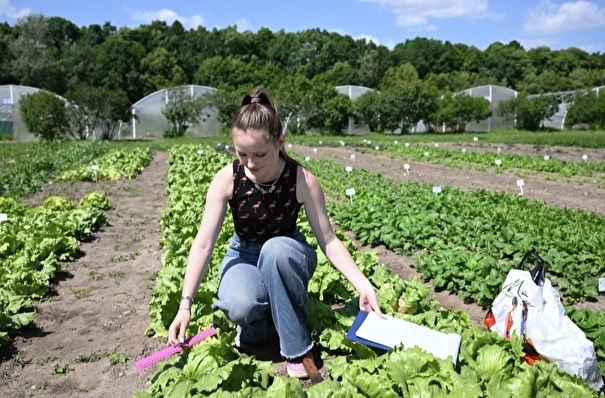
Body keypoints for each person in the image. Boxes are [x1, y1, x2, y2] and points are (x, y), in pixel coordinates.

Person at [168, 86, 383, 378]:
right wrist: (185, 305)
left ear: (279, 143)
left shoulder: (301, 179)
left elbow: (329, 241)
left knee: (276, 251)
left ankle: (299, 352)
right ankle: (261, 327)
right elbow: (204, 244)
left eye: (259, 154)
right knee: (239, 304)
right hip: (244, 254)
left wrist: (362, 285)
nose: (251, 164)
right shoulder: (227, 179)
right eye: (242, 154)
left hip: (287, 253)